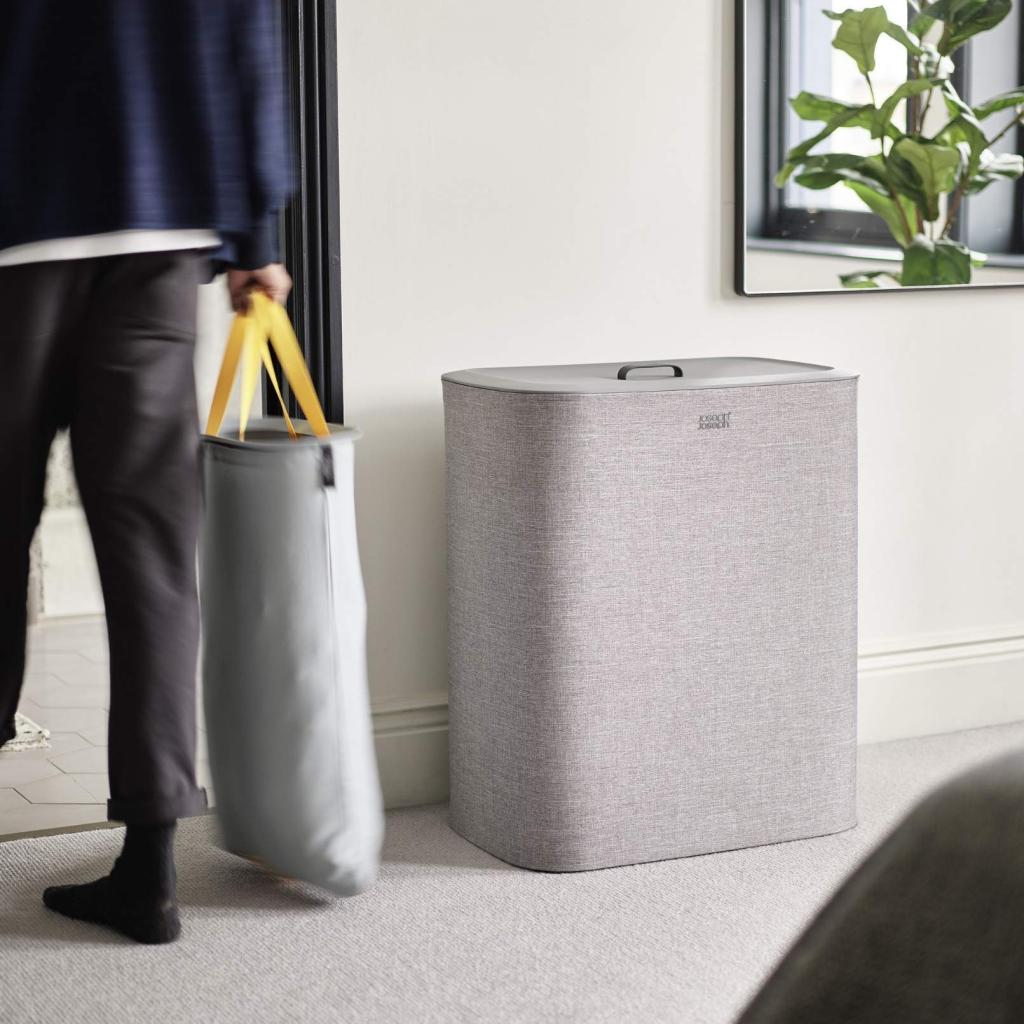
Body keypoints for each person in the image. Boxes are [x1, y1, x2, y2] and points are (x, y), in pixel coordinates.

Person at [0, 1, 294, 944]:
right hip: (159, 231)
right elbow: (247, 46)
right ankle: (149, 867)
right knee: (153, 559)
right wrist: (257, 239)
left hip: (14, 224)